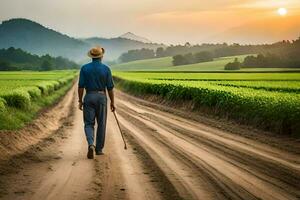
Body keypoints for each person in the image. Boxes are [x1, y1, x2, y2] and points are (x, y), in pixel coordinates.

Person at [78, 46, 115, 159]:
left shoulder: (84, 68)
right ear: (101, 56)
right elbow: (110, 88)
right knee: (101, 124)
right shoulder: (106, 69)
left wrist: (80, 100)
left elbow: (80, 86)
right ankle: (99, 150)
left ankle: (90, 144)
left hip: (89, 96)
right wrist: (112, 102)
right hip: (101, 97)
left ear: (92, 56)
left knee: (89, 123)